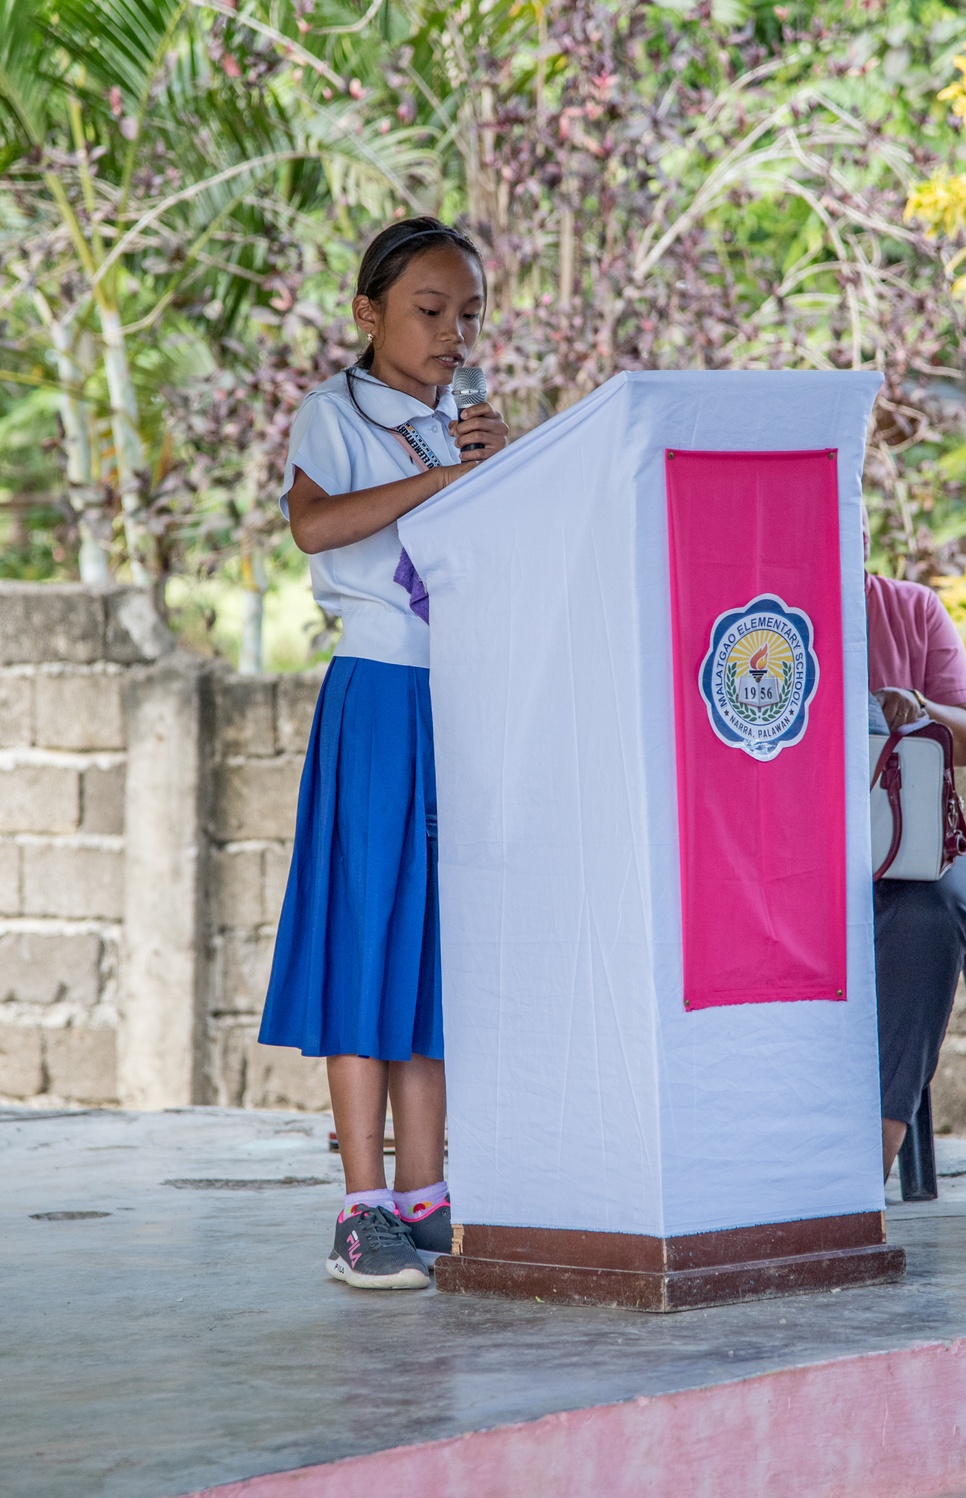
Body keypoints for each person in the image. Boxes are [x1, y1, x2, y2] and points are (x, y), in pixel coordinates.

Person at [258, 218, 508, 1290]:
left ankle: (429, 1194)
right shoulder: (337, 412)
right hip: (378, 696)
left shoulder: (468, 422)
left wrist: (512, 470)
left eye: (466, 315)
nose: (452, 333)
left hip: (464, 698)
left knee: (434, 947)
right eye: (428, 310)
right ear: (369, 312)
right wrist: (448, 478)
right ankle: (361, 1208)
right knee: (368, 935)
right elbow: (314, 527)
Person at [867, 549, 966, 1179]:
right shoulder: (765, 623)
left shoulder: (913, 608)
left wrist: (918, 704)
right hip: (813, 864)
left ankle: (871, 1164)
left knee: (929, 911)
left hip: (927, 852)